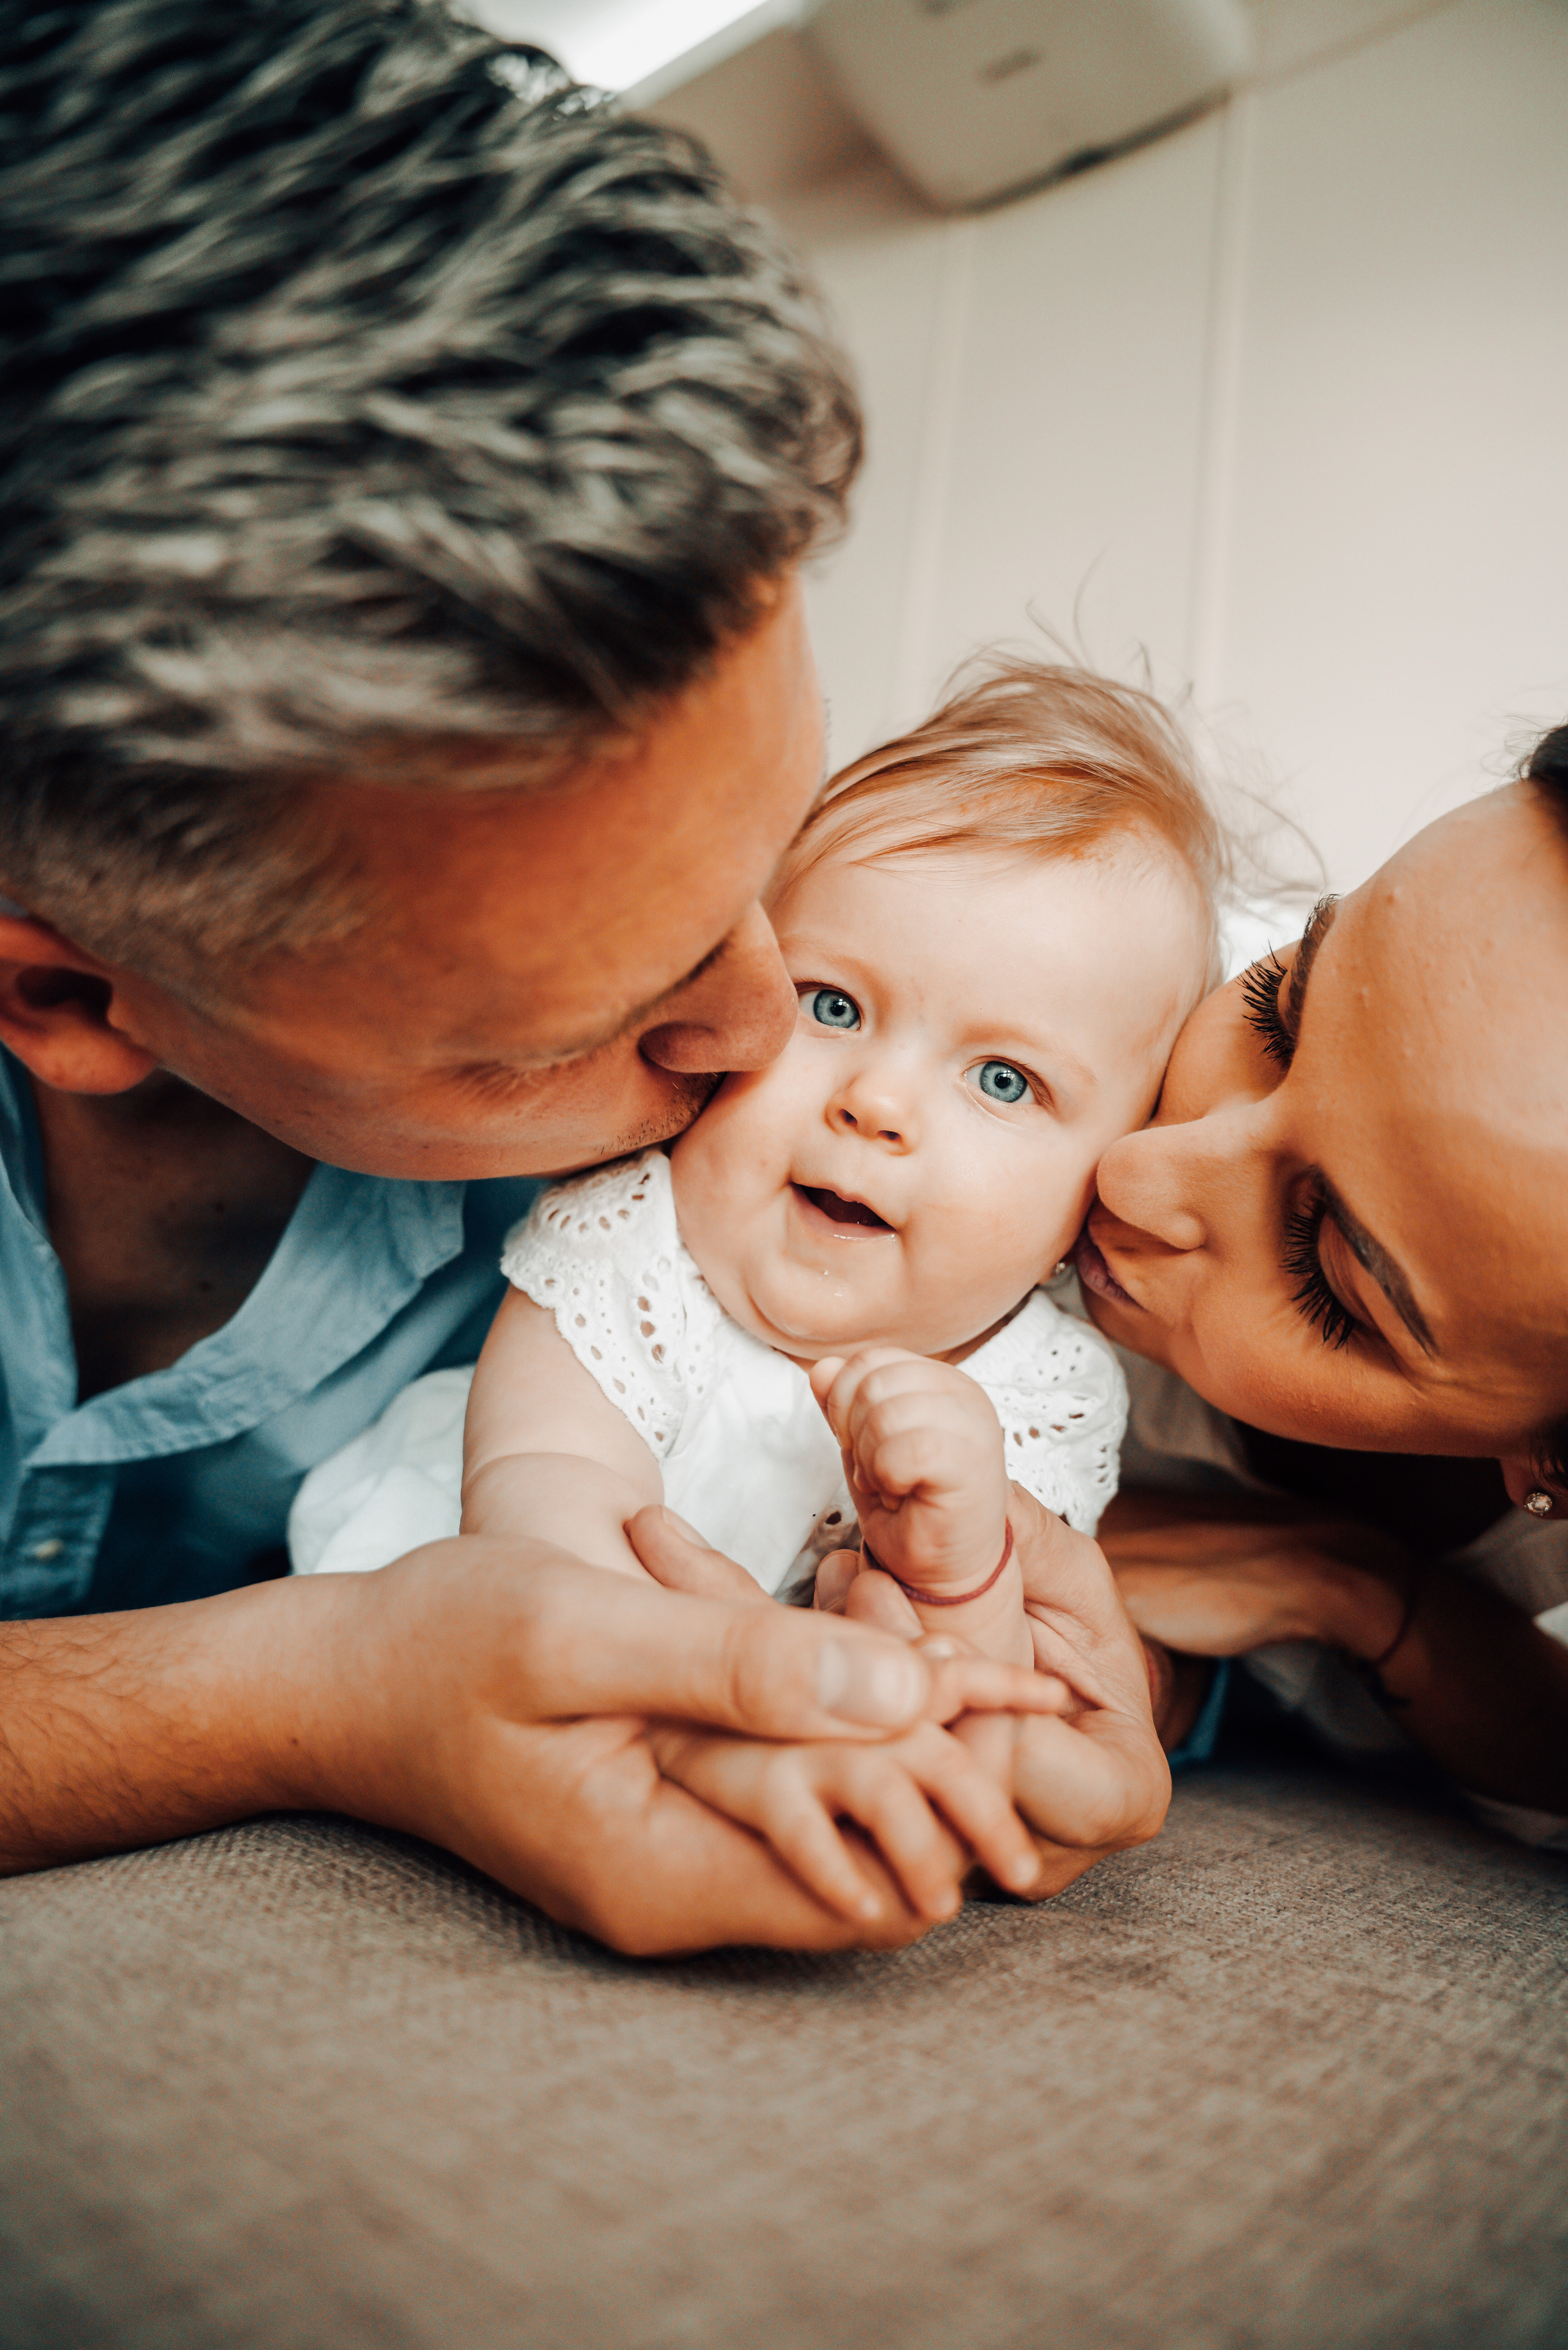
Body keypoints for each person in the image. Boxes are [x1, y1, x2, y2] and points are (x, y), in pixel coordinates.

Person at [0, 0, 1168, 1950]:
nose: (762, 1039)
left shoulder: (731, 1202)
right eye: (589, 1014)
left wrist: (1170, 1612)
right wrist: (326, 1685)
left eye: (769, 878)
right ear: (70, 1002)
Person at [290, 657, 1219, 1924]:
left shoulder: (1041, 1389)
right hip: (481, 1615)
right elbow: (542, 1490)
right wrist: (663, 1700)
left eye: (1002, 1079)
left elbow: (988, 1688)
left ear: (1090, 1199)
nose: (876, 1103)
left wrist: (957, 1571)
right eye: (831, 1003)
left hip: (792, 1700)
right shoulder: (632, 1241)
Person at [1041, 729, 1568, 1826]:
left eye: (1326, 1266)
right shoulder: (1098, 959)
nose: (1133, 1172)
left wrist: (1346, 1585)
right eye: (1275, 1012)